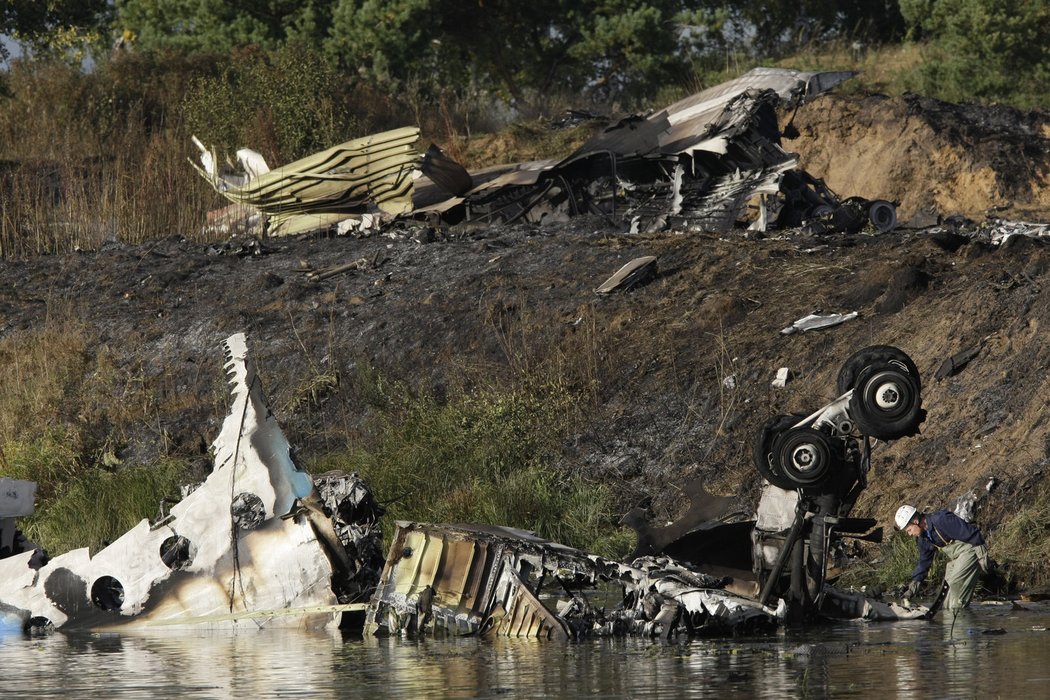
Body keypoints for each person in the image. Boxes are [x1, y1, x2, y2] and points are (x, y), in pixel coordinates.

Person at [895, 504, 989, 611]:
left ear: (915, 521)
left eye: (909, 530)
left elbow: (971, 532)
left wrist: (982, 555)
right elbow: (924, 563)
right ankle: (952, 620)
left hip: (971, 550)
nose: (910, 534)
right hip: (956, 558)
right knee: (946, 598)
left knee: (955, 583)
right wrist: (911, 589)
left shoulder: (941, 519)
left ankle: (960, 617)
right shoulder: (923, 539)